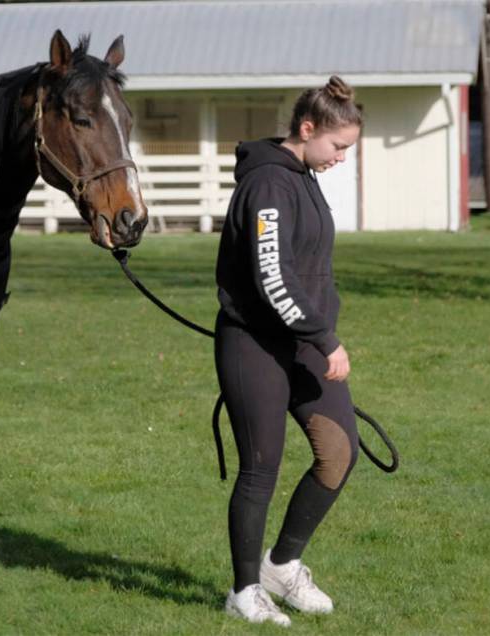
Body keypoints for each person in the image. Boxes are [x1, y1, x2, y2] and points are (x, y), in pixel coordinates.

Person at [215, 76, 363, 627]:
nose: (341, 158)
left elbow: (308, 267)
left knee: (339, 451)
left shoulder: (304, 175)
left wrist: (320, 329)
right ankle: (244, 590)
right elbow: (273, 275)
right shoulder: (269, 184)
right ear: (307, 129)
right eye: (338, 146)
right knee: (261, 470)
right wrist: (325, 337)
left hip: (300, 343)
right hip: (253, 343)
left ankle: (282, 565)